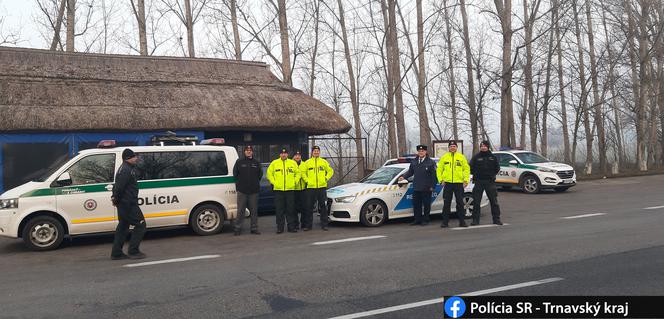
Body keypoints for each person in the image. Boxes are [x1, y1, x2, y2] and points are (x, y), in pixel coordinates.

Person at [111, 149, 147, 260]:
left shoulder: (124, 168)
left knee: (123, 227)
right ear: (128, 158)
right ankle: (133, 251)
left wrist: (116, 199)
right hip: (128, 203)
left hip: (125, 203)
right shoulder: (126, 170)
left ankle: (116, 253)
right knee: (141, 225)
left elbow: (117, 186)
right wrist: (115, 198)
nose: (136, 158)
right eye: (134, 157)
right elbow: (119, 187)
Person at [398, 145, 437, 225]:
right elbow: (410, 172)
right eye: (419, 151)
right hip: (417, 187)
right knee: (416, 205)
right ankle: (417, 219)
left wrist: (433, 186)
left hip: (427, 188)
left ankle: (426, 220)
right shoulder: (414, 162)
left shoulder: (431, 162)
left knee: (426, 205)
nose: (421, 152)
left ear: (425, 152)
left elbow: (434, 176)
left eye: (422, 151)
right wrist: (403, 176)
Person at [437, 141, 470, 228]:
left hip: (458, 184)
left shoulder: (461, 157)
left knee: (460, 203)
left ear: (456, 147)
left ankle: (462, 222)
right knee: (446, 203)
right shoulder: (444, 157)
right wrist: (441, 180)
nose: (452, 148)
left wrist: (466, 180)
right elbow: (439, 170)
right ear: (449, 148)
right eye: (451, 146)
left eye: (454, 146)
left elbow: (466, 169)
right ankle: (445, 222)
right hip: (447, 184)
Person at [266, 148, 301, 233]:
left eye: (285, 153)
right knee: (279, 210)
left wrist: (294, 182)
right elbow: (269, 174)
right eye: (282, 153)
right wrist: (274, 182)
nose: (283, 155)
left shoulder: (292, 163)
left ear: (287, 154)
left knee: (290, 209)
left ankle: (291, 227)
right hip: (279, 190)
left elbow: (298, 173)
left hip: (290, 190)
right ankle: (280, 228)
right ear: (280, 154)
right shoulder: (274, 163)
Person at [301, 146, 334, 231]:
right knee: (309, 207)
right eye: (314, 151)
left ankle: (324, 225)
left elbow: (330, 171)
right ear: (312, 152)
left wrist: (326, 178)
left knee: (323, 206)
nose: (316, 152)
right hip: (310, 188)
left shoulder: (323, 162)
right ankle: (308, 226)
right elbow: (303, 173)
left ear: (319, 152)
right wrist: (307, 181)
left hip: (321, 187)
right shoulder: (307, 162)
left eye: (317, 151)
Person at [469, 140, 503, 225]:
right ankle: (475, 220)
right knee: (476, 202)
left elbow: (497, 168)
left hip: (490, 182)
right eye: (481, 146)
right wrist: (476, 174)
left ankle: (496, 219)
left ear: (488, 147)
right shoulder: (476, 157)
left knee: (494, 201)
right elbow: (470, 168)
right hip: (478, 181)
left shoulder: (493, 157)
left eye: (485, 146)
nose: (483, 147)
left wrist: (491, 175)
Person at [232, 145, 263, 236]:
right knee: (240, 210)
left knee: (254, 211)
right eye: (247, 150)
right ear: (244, 152)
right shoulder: (239, 162)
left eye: (250, 150)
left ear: (252, 152)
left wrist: (254, 183)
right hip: (242, 191)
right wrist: (239, 185)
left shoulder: (256, 162)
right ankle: (237, 228)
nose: (248, 151)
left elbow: (260, 175)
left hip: (254, 191)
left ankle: (254, 228)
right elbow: (235, 174)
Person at [292, 151, 307, 230]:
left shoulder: (305, 164)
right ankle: (295, 224)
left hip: (303, 189)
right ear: (294, 157)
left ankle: (304, 224)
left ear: (301, 157)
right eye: (296, 155)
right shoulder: (290, 164)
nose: (297, 157)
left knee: (304, 208)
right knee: (294, 208)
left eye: (299, 155)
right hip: (294, 189)